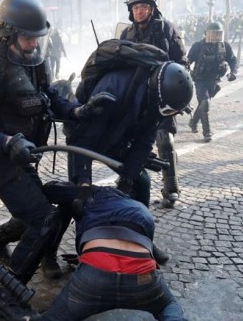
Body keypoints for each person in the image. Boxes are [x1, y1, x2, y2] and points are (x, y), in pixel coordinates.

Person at [0, 0, 114, 319]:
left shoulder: (35, 61)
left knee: (43, 209)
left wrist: (79, 109)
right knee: (42, 217)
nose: (32, 44)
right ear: (6, 31)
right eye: (27, 37)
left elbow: (52, 98)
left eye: (36, 38)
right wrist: (6, 142)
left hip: (27, 155)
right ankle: (9, 292)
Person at [67, 60, 193, 265]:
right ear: (160, 95)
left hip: (117, 138)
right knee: (77, 197)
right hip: (84, 138)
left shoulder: (156, 102)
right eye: (169, 111)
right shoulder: (114, 89)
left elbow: (144, 143)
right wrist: (82, 181)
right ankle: (78, 254)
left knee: (141, 182)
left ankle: (142, 241)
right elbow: (85, 140)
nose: (168, 116)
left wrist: (128, 177)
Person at [40, 183, 186, 321]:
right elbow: (145, 245)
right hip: (142, 276)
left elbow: (49, 189)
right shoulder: (139, 208)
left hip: (93, 275)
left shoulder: (92, 194)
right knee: (169, 305)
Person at [119, 0, 189, 209]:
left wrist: (178, 97)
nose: (139, 11)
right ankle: (129, 182)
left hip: (162, 96)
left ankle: (171, 188)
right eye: (136, 7)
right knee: (131, 143)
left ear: (152, 8)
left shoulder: (165, 29)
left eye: (144, 6)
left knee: (164, 141)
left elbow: (182, 64)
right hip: (136, 98)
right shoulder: (126, 34)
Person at [187, 22, 238, 142]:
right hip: (200, 79)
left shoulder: (224, 46)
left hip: (214, 80)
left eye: (218, 34)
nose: (215, 37)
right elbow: (187, 61)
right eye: (213, 34)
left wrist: (233, 72)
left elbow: (233, 60)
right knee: (205, 103)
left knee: (204, 104)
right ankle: (207, 132)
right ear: (206, 34)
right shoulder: (198, 46)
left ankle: (193, 122)